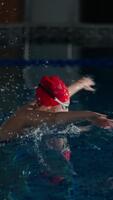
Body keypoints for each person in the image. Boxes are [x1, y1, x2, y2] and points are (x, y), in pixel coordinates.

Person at [0, 75, 113, 200]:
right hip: (4, 151)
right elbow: (55, 118)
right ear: (49, 105)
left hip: (19, 147)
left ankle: (68, 180)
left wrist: (82, 83)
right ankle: (88, 186)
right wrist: (91, 115)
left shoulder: (42, 102)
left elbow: (61, 98)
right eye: (63, 107)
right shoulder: (26, 115)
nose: (66, 109)